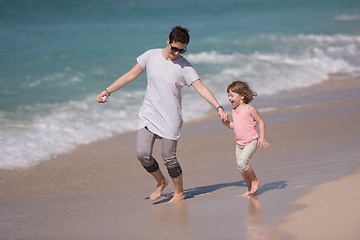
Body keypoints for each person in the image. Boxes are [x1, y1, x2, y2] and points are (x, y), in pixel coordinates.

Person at [97, 26, 228, 203]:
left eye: (182, 50)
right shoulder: (150, 56)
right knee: (142, 154)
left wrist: (219, 107)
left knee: (169, 159)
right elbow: (130, 76)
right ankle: (161, 182)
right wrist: (108, 91)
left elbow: (201, 88)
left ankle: (179, 192)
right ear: (168, 41)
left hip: (171, 117)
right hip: (149, 113)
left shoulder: (185, 67)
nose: (177, 53)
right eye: (175, 48)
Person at [222, 80, 269, 197]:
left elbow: (260, 122)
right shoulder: (234, 111)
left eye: (232, 95)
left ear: (242, 95)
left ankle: (254, 180)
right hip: (239, 144)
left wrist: (262, 138)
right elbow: (235, 126)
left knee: (242, 163)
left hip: (251, 141)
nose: (229, 98)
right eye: (228, 95)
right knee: (241, 168)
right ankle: (250, 190)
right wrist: (226, 123)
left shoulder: (250, 109)